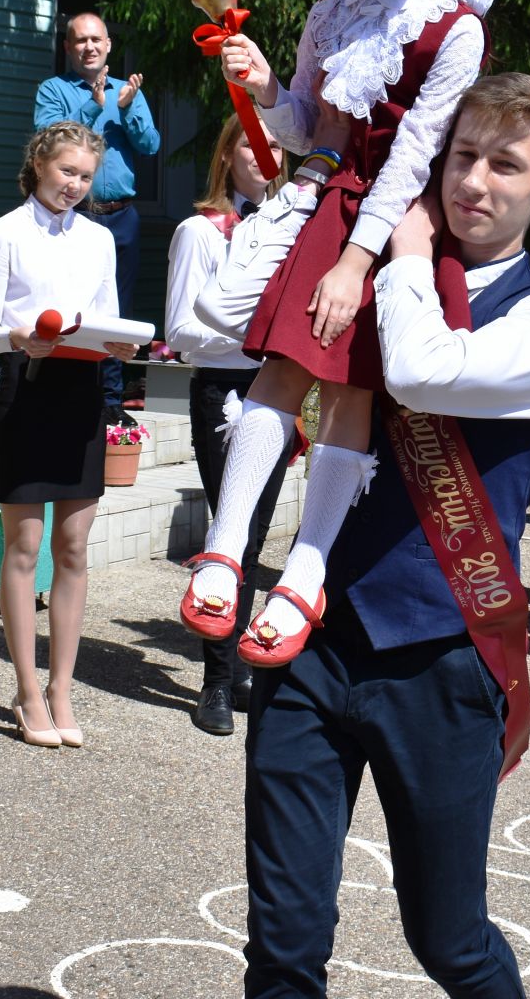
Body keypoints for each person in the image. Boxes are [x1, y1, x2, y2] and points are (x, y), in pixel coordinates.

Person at [243, 73, 530, 997]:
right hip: (312, 634)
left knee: (448, 941)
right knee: (283, 942)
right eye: (461, 156)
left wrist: (396, 254)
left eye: (505, 165)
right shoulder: (358, 275)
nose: (473, 182)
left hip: (441, 658)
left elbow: (422, 371)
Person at [182, 0, 498, 663]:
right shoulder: (332, 7)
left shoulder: (455, 28)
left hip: (391, 219)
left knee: (350, 388)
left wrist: (360, 262)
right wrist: (264, 90)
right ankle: (226, 545)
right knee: (283, 369)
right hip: (326, 197)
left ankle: (307, 569)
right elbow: (306, 131)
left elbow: (417, 152)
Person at [0, 122, 139, 748]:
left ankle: (62, 687)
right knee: (23, 546)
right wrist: (15, 336)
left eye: (86, 176)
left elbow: (110, 316)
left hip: (82, 394)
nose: (75, 185)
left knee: (72, 547)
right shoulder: (1, 234)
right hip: (27, 388)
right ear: (39, 163)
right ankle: (26, 690)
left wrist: (120, 342)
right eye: (67, 172)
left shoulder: (98, 239)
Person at [162, 116, 293, 736]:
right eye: (249, 140)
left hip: (280, 389)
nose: (262, 152)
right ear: (227, 154)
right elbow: (184, 333)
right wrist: (255, 334)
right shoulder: (201, 230)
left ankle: (239, 670)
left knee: (258, 533)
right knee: (229, 533)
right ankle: (216, 682)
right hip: (225, 390)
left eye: (273, 143)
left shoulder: (295, 229)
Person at [34, 12, 161, 418]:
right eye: (79, 41)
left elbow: (150, 144)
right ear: (68, 48)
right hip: (73, 215)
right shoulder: (53, 90)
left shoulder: (128, 91)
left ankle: (110, 401)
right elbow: (49, 142)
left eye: (96, 40)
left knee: (113, 308)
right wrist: (94, 105)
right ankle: (67, 393)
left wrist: (126, 110)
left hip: (121, 217)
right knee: (67, 302)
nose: (88, 47)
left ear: (108, 46)